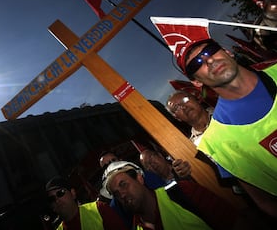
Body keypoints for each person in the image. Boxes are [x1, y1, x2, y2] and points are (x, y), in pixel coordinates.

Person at [152, 18, 277, 218]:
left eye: (209, 50)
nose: (208, 60)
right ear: (196, 82)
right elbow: (264, 201)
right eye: (196, 63)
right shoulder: (215, 143)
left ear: (227, 51)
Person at [103, 160, 267, 230]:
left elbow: (235, 224)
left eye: (123, 184)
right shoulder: (136, 227)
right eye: (116, 194)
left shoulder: (183, 192)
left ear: (139, 178)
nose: (122, 194)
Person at [45, 175, 128, 230]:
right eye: (51, 199)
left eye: (60, 193)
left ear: (73, 193)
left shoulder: (99, 209)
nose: (57, 200)